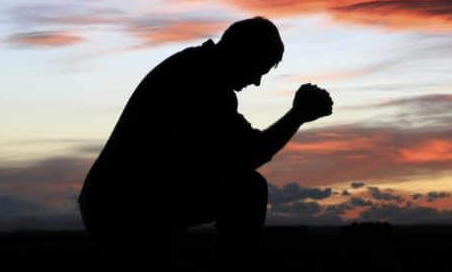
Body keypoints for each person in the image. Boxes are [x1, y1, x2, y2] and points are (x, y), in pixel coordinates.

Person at [78, 16, 333, 262]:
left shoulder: (198, 69)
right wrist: (298, 115)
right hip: (124, 205)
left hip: (127, 199)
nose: (256, 82)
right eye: (259, 69)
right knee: (248, 189)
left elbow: (231, 156)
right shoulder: (201, 81)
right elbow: (250, 154)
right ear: (243, 53)